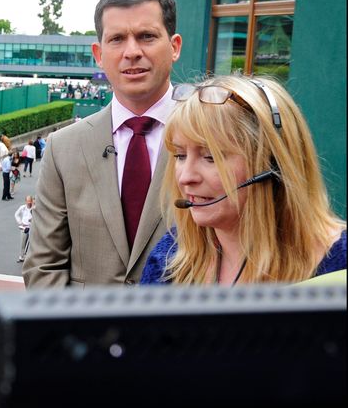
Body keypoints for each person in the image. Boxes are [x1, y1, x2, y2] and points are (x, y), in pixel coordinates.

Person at [24, 0, 183, 287]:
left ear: (174, 46)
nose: (132, 52)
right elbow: (44, 266)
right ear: (98, 53)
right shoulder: (63, 148)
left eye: (147, 36)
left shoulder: (214, 136)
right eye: (117, 39)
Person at [140, 75, 346, 285]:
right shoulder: (168, 258)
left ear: (272, 165)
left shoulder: (340, 261)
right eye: (180, 156)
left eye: (211, 157)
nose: (186, 177)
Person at [14, 196, 35, 263]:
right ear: (25, 201)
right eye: (28, 201)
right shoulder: (22, 208)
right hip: (24, 227)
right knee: (23, 242)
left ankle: (28, 257)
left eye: (30, 201)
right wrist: (20, 222)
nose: (29, 203)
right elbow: (16, 214)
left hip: (32, 227)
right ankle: (21, 257)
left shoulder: (34, 208)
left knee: (30, 243)